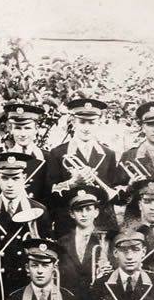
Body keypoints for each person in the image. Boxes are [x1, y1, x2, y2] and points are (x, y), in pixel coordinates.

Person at [0, 152, 53, 300]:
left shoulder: (39, 210)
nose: (10, 184)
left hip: (26, 289)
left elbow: (46, 254)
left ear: (24, 178)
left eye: (15, 178)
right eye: (4, 178)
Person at [46, 98, 124, 235]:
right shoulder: (58, 153)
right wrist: (72, 183)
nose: (86, 127)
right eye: (82, 122)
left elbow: (114, 192)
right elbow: (50, 192)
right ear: (73, 122)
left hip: (102, 222)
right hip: (69, 223)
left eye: (91, 122)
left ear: (98, 123)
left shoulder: (108, 154)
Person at [57, 185, 111, 293]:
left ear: (96, 212)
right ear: (72, 214)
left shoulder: (107, 240)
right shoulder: (62, 242)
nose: (84, 214)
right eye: (79, 210)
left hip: (98, 298)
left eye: (88, 209)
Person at [3, 102, 50, 203]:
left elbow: (51, 195)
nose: (22, 134)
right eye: (18, 128)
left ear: (36, 129)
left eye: (27, 128)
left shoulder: (47, 158)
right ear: (11, 129)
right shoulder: (2, 158)